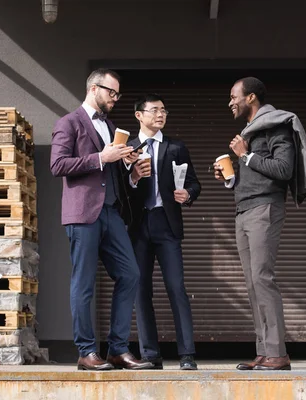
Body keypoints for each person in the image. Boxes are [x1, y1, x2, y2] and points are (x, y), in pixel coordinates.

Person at [50, 68, 153, 371]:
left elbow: (111, 174)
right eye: (112, 92)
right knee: (83, 283)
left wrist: (129, 169)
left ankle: (117, 350)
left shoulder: (111, 127)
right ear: (94, 89)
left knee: (130, 274)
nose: (115, 98)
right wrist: (100, 158)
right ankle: (86, 352)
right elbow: (57, 165)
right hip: (82, 213)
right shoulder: (68, 123)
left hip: (111, 212)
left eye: (117, 94)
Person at [213, 77, 295, 371]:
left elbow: (284, 169)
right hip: (243, 210)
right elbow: (254, 174)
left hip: (265, 208)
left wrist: (244, 155)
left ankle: (277, 353)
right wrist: (230, 178)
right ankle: (264, 352)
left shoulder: (276, 125)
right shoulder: (249, 131)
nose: (230, 102)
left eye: (233, 96)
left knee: (262, 278)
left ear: (250, 98)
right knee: (251, 283)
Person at [127, 94, 201, 370]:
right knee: (140, 289)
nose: (161, 114)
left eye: (164, 110)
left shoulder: (175, 147)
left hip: (167, 224)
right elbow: (120, 189)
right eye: (155, 110)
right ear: (139, 115)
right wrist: (133, 178)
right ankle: (149, 354)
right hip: (138, 226)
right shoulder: (128, 148)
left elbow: (194, 183)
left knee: (176, 287)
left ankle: (187, 354)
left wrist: (188, 194)